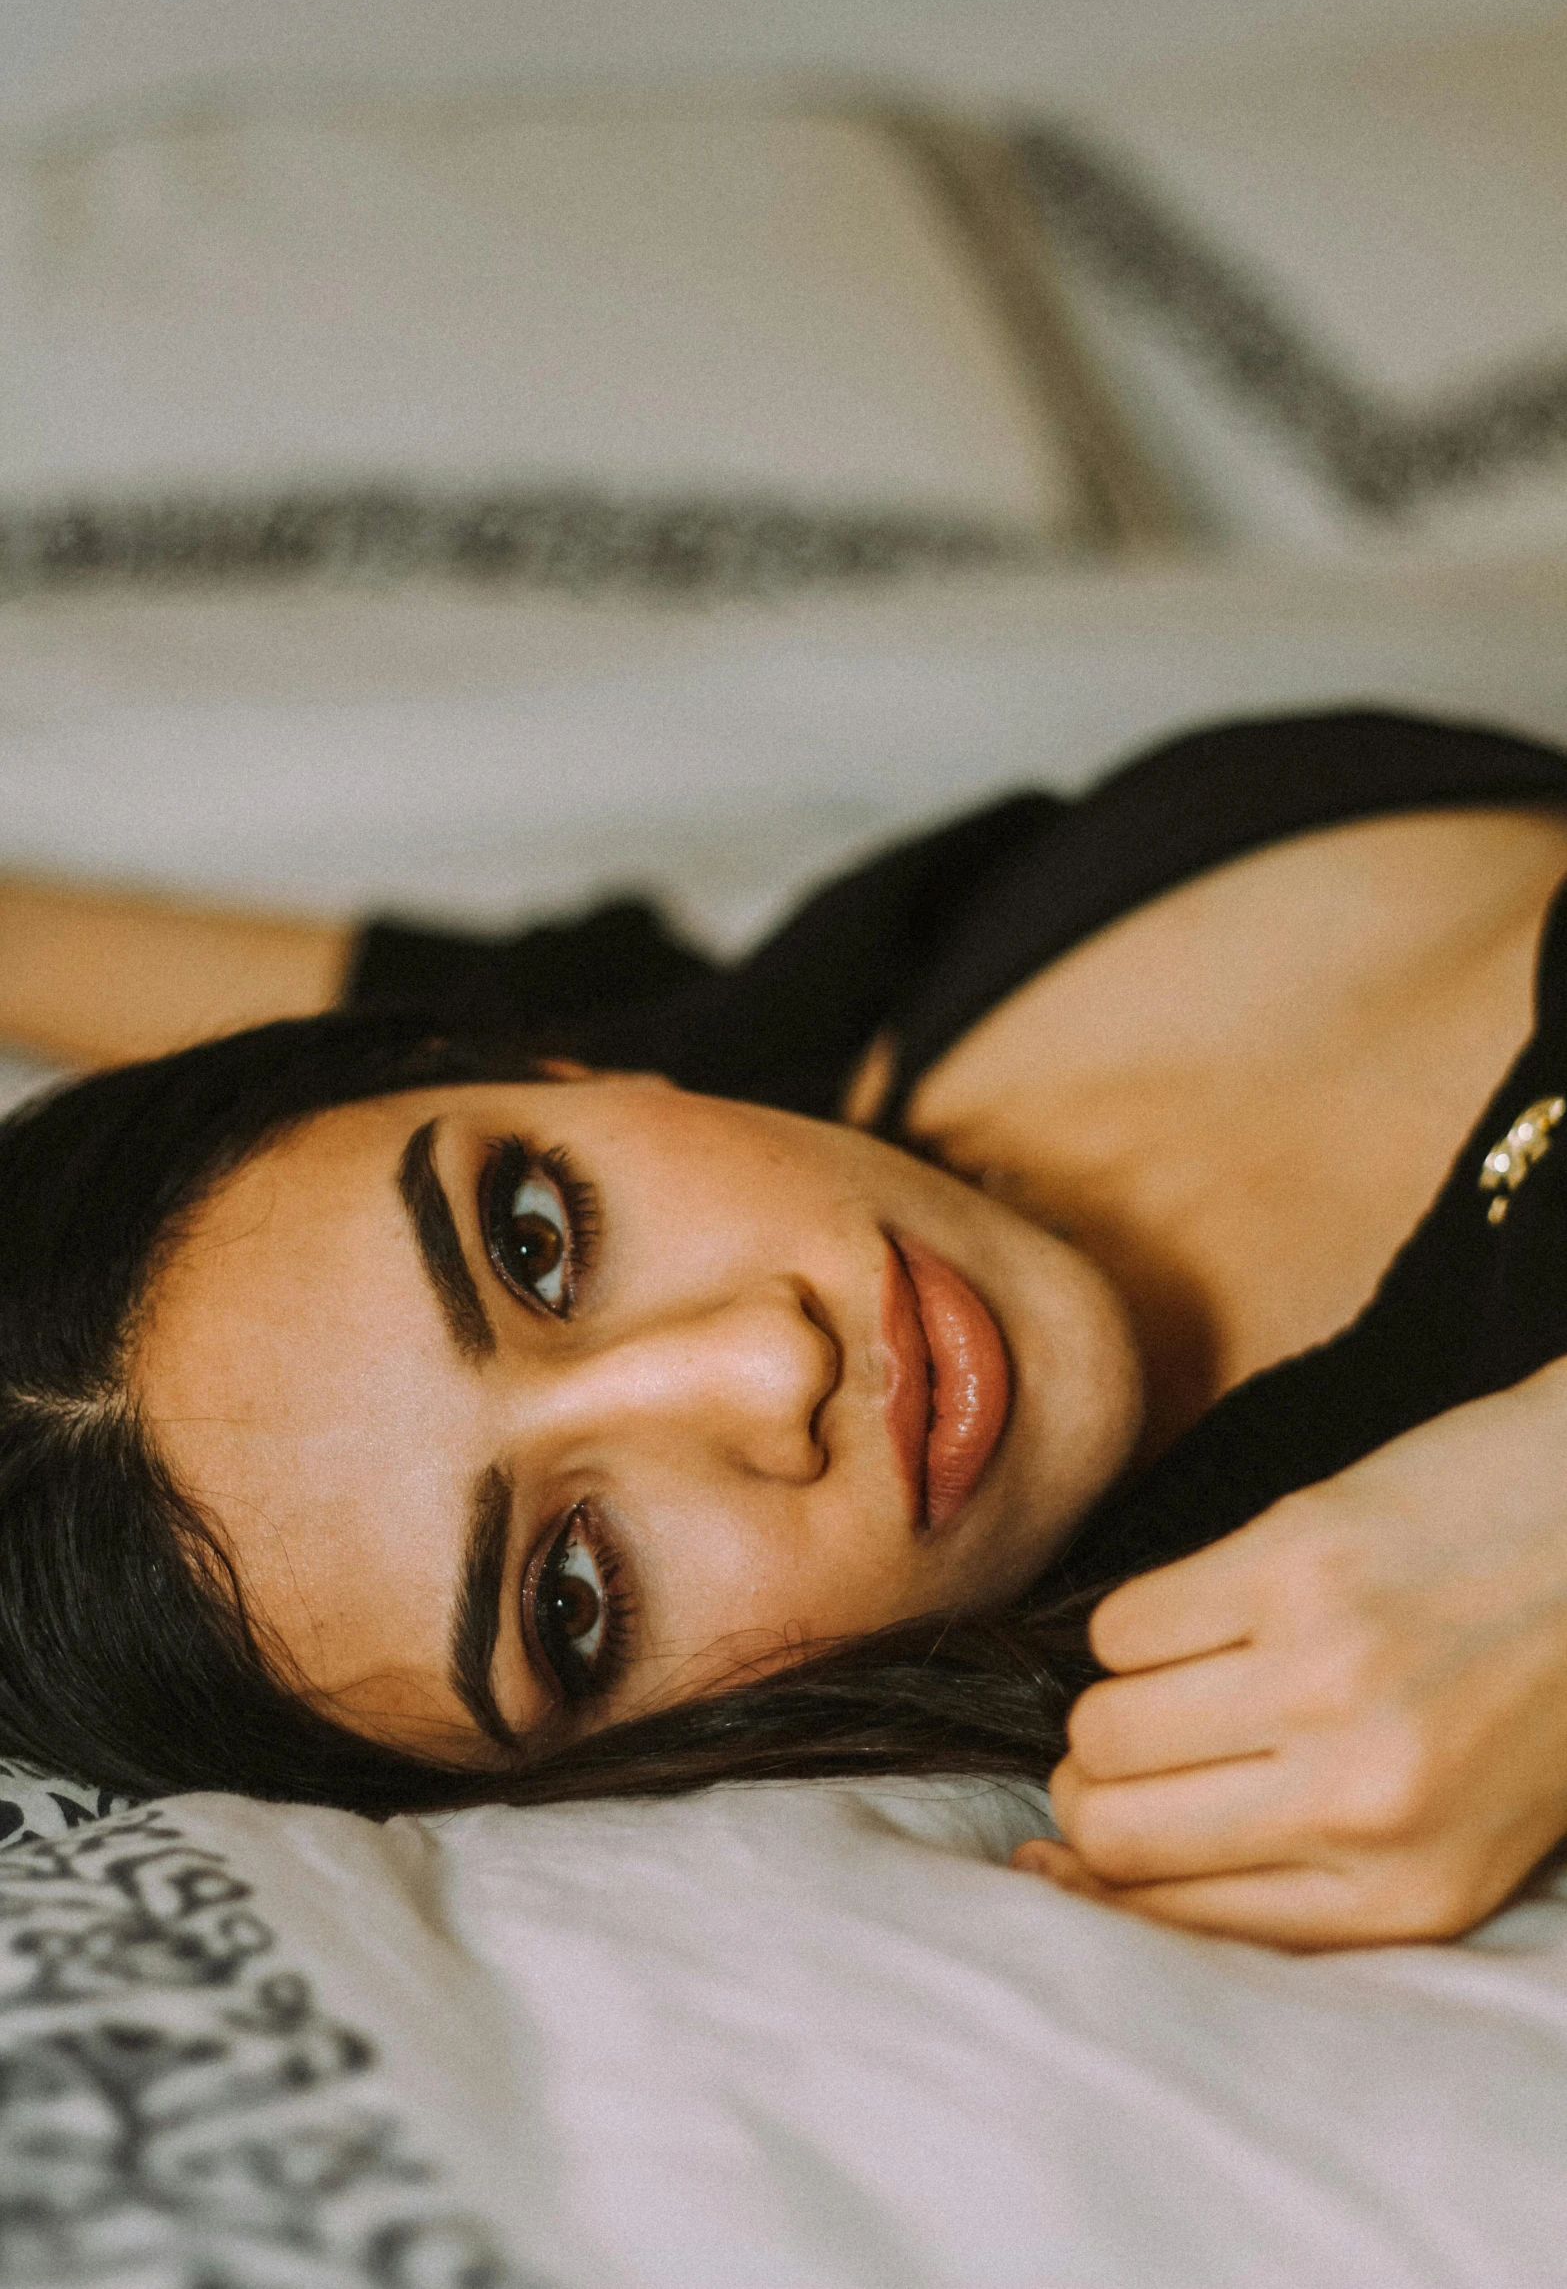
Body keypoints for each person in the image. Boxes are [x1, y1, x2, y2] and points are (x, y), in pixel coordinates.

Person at [6, 705, 1567, 1953]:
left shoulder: (817, 1026)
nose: (767, 1362)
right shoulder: (1360, 1648)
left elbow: (457, 983)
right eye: (573, 1592)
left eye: (533, 1242)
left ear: (553, 1077)